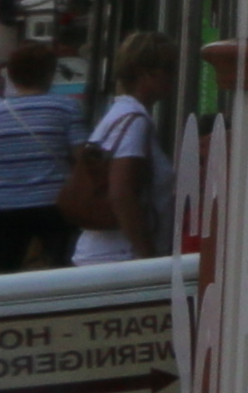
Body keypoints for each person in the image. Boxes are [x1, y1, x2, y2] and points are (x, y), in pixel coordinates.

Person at [69, 33, 172, 266]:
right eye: (169, 69)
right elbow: (121, 193)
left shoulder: (118, 115)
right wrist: (147, 258)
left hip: (105, 255)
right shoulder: (134, 122)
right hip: (120, 257)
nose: (174, 78)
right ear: (146, 72)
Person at [0, 39, 79, 275]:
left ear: (12, 76)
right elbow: (81, 157)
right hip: (53, 205)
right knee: (59, 273)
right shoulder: (67, 108)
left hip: (0, 205)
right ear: (49, 74)